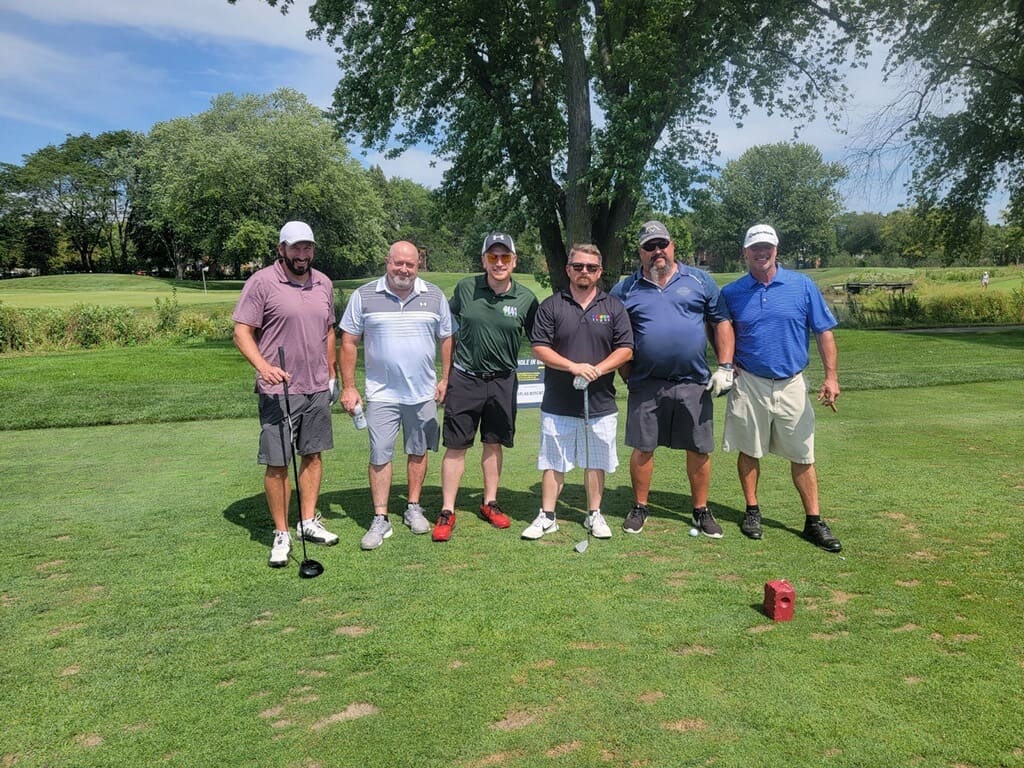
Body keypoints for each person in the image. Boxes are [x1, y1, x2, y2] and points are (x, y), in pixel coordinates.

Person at [719, 223, 842, 552]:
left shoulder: (802, 285)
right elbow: (717, 328)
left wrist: (831, 376)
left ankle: (813, 520)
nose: (762, 252)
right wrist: (727, 361)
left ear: (777, 249)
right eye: (755, 247)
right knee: (749, 449)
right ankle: (752, 511)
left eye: (767, 246)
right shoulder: (732, 293)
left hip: (792, 382)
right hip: (749, 383)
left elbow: (824, 332)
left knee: (803, 454)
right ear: (745, 252)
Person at [610, 221, 735, 537]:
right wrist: (627, 375)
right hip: (646, 383)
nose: (657, 252)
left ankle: (700, 510)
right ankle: (640, 506)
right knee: (643, 448)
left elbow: (720, 322)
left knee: (698, 449)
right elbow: (613, 334)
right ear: (640, 251)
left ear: (672, 245)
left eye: (661, 244)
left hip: (693, 382)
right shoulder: (625, 289)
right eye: (649, 247)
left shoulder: (698, 280)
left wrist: (726, 366)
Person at [232, 220, 340, 568]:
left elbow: (328, 332)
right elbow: (242, 332)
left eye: (307, 247)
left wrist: (332, 373)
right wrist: (262, 366)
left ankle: (308, 521)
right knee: (278, 462)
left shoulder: (323, 282)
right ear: (281, 249)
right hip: (278, 389)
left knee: (313, 454)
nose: (302, 254)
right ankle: (282, 533)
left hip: (316, 386)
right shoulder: (262, 282)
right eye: (295, 247)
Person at [338, 241, 454, 550]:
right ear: (387, 261)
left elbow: (446, 338)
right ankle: (380, 517)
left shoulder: (434, 296)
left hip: (422, 391)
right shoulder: (363, 295)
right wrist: (349, 386)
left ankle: (413, 506)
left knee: (418, 450)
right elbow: (348, 342)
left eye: (410, 265)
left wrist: (445, 378)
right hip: (382, 392)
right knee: (380, 454)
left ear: (418, 266)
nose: (403, 269)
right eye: (397, 263)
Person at [524, 243, 634, 540]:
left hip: (600, 402)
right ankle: (547, 516)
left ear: (599, 272)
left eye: (591, 267)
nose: (584, 271)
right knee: (553, 461)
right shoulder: (552, 306)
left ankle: (594, 514)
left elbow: (625, 349)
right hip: (558, 402)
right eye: (578, 266)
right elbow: (539, 348)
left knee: (595, 462)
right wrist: (573, 366)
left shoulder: (613, 307)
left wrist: (597, 369)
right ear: (568, 270)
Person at [434, 232, 539, 542]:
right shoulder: (466, 289)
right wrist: (445, 375)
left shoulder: (526, 298)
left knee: (493, 443)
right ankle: (447, 509)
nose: (499, 263)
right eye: (492, 257)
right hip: (465, 378)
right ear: (483, 260)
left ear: (514, 261)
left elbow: (540, 340)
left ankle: (489, 502)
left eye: (505, 257)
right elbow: (446, 328)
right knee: (456, 446)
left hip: (503, 380)